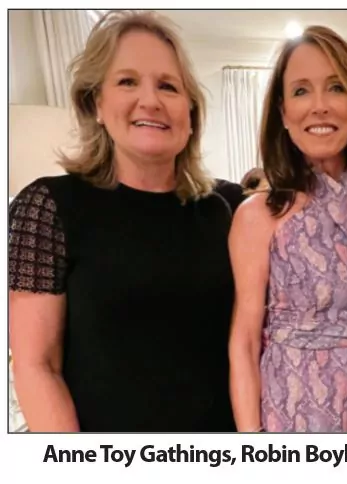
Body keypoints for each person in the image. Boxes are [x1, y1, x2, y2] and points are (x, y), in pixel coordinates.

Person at [8, 10, 236, 432]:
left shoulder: (230, 208)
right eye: (127, 81)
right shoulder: (47, 207)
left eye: (168, 86)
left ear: (190, 115)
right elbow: (37, 366)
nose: (150, 100)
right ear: (96, 103)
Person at [228, 25, 347, 432]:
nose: (319, 106)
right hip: (289, 413)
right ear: (283, 112)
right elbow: (244, 342)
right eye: (301, 91)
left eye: (336, 87)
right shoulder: (258, 215)